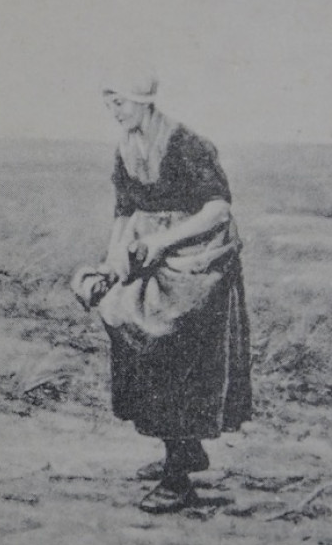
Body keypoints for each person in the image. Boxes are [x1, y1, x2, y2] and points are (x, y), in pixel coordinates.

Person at [73, 74, 252, 514]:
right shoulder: (126, 147)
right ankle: (184, 450)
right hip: (149, 253)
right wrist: (113, 261)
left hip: (197, 261)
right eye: (108, 102)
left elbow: (218, 209)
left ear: (143, 100)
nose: (113, 111)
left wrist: (161, 242)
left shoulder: (185, 144)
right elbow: (126, 210)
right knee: (139, 346)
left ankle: (179, 480)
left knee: (179, 360)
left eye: (119, 102)